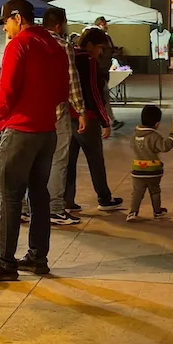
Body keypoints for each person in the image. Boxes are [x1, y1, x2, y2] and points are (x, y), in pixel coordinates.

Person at [0, 0, 67, 282]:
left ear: (17, 18)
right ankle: (37, 256)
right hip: (47, 131)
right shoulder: (55, 46)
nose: (6, 29)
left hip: (21, 129)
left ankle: (5, 261)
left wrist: (0, 119)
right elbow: (62, 92)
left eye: (7, 23)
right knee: (39, 195)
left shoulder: (19, 45)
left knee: (10, 197)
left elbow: (7, 91)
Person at [65, 27, 124, 212]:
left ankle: (68, 200)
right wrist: (104, 119)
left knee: (69, 161)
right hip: (87, 117)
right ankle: (104, 198)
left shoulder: (70, 55)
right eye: (99, 47)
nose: (100, 52)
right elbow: (93, 92)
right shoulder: (88, 59)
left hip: (69, 116)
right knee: (95, 159)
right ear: (90, 44)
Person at [43, 6, 85, 226]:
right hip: (58, 111)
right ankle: (55, 207)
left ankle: (24, 207)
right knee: (59, 159)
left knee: (33, 160)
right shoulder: (62, 45)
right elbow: (72, 80)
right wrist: (80, 110)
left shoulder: (27, 43)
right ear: (59, 25)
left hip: (33, 113)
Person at [128, 105, 173, 222]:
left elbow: (132, 146)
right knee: (155, 191)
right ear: (157, 123)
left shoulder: (134, 135)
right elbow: (164, 147)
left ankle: (133, 212)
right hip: (153, 171)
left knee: (137, 192)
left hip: (137, 170)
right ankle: (157, 212)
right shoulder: (154, 136)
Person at [93, 16, 123, 131]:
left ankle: (109, 120)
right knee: (103, 96)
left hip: (103, 71)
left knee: (104, 97)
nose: (106, 26)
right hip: (99, 71)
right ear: (100, 24)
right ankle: (110, 121)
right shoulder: (99, 38)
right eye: (105, 23)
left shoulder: (105, 38)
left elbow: (109, 52)